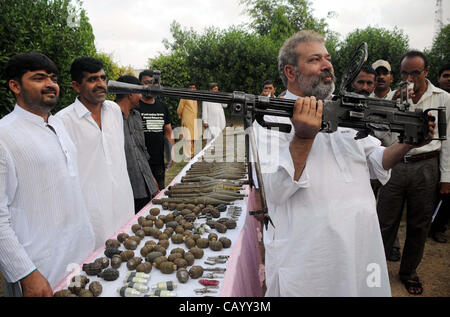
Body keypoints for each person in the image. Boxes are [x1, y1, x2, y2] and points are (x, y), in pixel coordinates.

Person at [254, 30, 435, 297]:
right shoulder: (268, 119)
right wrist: (303, 137)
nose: (328, 65)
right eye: (315, 59)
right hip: (312, 260)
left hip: (362, 246)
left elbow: (377, 160)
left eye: (327, 58)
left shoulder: (343, 110)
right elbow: (276, 191)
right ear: (291, 72)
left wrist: (409, 142)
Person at [0, 52, 95, 296]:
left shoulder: (58, 124)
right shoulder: (4, 134)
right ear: (15, 86)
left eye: (53, 78)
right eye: (39, 78)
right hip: (39, 269)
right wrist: (25, 273)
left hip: (81, 254)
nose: (50, 84)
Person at [376, 51, 450, 295]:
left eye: (415, 72)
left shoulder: (443, 98)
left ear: (426, 71)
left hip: (425, 165)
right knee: (384, 222)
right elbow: (383, 138)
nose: (410, 78)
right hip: (395, 163)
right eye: (405, 73)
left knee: (419, 225)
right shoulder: (392, 98)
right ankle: (375, 272)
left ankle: (409, 272)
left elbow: (447, 141)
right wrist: (393, 105)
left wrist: (446, 178)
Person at [57, 57, 134, 249]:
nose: (100, 84)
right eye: (92, 80)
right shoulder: (63, 121)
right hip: (92, 212)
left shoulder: (115, 110)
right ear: (76, 86)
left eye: (102, 78)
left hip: (123, 201)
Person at [115, 75, 159, 213]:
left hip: (145, 186)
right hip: (126, 191)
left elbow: (141, 151)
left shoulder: (137, 116)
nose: (141, 96)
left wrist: (152, 180)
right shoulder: (110, 117)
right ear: (130, 93)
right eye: (139, 92)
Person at [138, 70, 174, 190]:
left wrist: (170, 154)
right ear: (140, 84)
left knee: (160, 192)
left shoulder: (162, 106)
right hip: (140, 161)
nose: (150, 86)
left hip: (158, 161)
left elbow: (168, 132)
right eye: (146, 83)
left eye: (153, 83)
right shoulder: (135, 106)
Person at [177, 83, 199, 160]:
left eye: (194, 88)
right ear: (188, 88)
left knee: (192, 138)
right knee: (187, 138)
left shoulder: (195, 97)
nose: (193, 89)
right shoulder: (185, 96)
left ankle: (192, 154)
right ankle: (187, 155)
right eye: (191, 88)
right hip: (187, 119)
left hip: (194, 120)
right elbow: (180, 108)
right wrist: (179, 114)